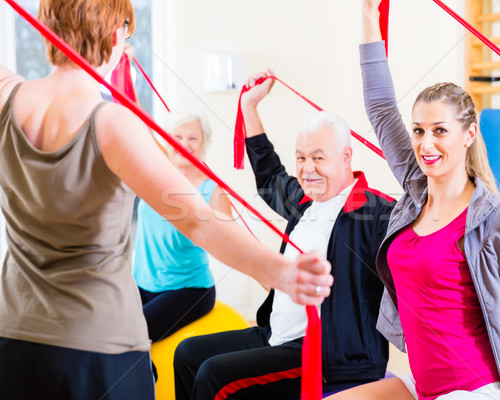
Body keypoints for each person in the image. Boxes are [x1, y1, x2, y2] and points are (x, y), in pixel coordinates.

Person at [0, 1, 332, 399]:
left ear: (44, 27)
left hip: (13, 336)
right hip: (97, 348)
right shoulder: (112, 124)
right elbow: (195, 220)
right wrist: (281, 271)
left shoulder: (7, 97)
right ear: (115, 36)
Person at [328, 2, 500, 400]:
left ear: (469, 134)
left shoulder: (498, 214)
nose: (425, 143)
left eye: (440, 130)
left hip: (475, 390)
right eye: (419, 130)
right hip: (424, 385)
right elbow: (382, 109)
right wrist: (369, 15)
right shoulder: (415, 189)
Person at [172, 70, 397, 400]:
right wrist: (249, 106)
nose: (307, 169)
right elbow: (269, 173)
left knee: (214, 375)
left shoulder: (375, 211)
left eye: (318, 158)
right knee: (188, 353)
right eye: (302, 157)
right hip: (276, 334)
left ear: (346, 157)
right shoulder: (304, 201)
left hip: (326, 353)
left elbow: (418, 229)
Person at [133, 109, 232, 343]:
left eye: (193, 138)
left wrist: (278, 285)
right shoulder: (156, 174)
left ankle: (148, 378)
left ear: (204, 143)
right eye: (177, 137)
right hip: (141, 284)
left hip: (189, 290)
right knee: (101, 328)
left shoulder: (212, 192)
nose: (184, 144)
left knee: (130, 335)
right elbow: (137, 123)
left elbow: (236, 244)